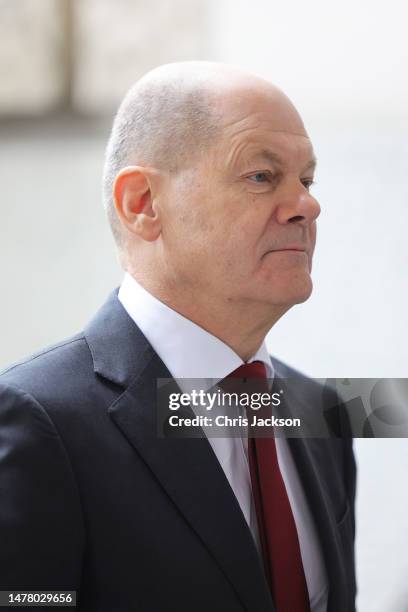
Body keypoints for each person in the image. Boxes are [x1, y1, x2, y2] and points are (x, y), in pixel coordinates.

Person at [0, 62, 356, 612]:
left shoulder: (321, 414)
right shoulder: (41, 419)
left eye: (306, 181)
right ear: (142, 204)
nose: (306, 205)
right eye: (261, 176)